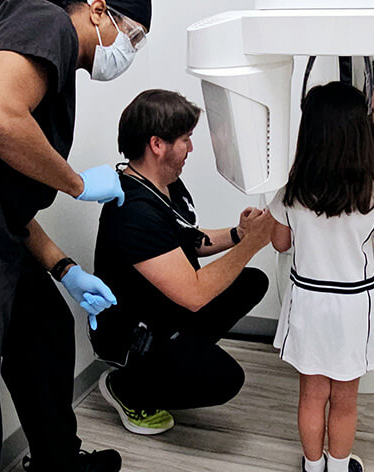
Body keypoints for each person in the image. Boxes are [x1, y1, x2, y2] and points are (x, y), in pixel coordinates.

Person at [0, 1, 151, 471]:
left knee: (46, 331)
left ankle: (57, 461)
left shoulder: (53, 70)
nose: (129, 49)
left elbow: (5, 203)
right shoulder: (46, 17)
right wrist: (76, 183)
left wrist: (65, 267)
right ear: (98, 10)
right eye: (132, 35)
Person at [90, 89, 273, 435]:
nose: (191, 148)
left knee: (251, 282)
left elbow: (186, 238)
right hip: (135, 337)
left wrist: (239, 233)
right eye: (186, 139)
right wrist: (254, 244)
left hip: (164, 308)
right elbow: (194, 294)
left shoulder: (165, 184)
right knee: (225, 379)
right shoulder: (132, 211)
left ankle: (183, 356)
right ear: (157, 144)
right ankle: (128, 388)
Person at [268, 82, 374, 472]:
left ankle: (313, 467)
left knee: (311, 395)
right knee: (345, 400)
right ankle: (340, 467)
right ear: (362, 135)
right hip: (352, 308)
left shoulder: (292, 189)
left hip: (307, 303)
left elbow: (280, 243)